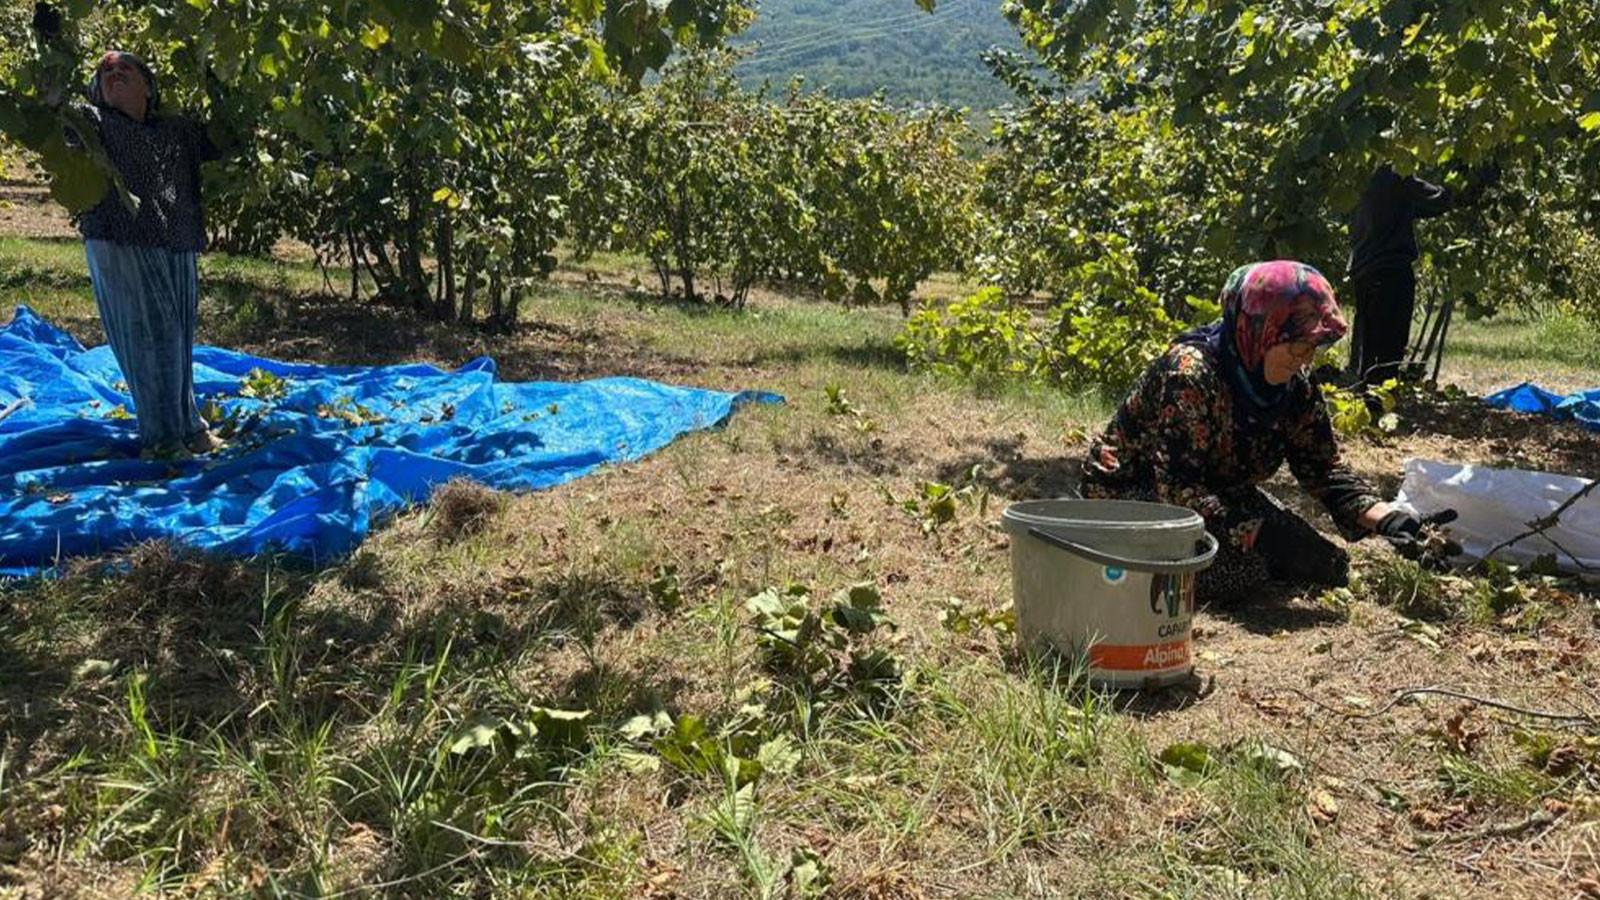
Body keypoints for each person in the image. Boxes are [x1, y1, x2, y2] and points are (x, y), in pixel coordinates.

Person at [1080, 261, 1455, 605]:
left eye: (1313, 347)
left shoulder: (1295, 385)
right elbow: (1178, 488)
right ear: (1260, 331)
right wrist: (1260, 535)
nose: (1305, 359)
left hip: (1219, 493)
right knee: (1244, 571)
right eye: (1296, 345)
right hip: (1136, 495)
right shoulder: (1191, 376)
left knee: (1329, 566)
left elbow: (1322, 468)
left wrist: (1386, 517)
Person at [33, 4, 232, 458]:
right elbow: (51, 107)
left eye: (126, 67)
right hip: (118, 240)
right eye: (105, 72)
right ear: (96, 92)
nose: (114, 71)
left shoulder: (177, 129)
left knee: (177, 338)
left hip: (176, 238)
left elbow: (226, 141)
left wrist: (216, 71)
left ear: (148, 86)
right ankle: (161, 438)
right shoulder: (90, 123)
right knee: (146, 337)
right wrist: (49, 43)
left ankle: (188, 425)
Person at [1345, 164, 1452, 387]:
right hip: (1390, 271)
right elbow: (1437, 201)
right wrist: (1463, 184)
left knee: (1369, 341)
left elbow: (1414, 206)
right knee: (1389, 345)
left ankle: (1365, 397)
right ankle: (1379, 402)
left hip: (1363, 269)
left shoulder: (1356, 172)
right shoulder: (1395, 173)